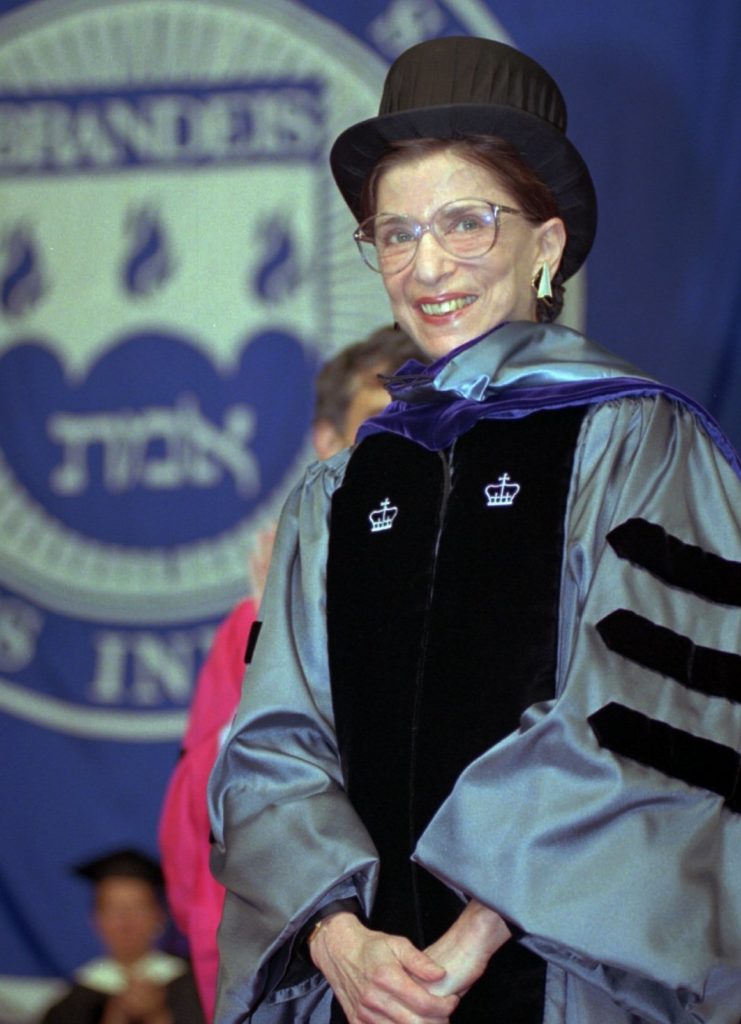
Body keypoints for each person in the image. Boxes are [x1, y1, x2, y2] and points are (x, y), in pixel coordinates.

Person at [208, 36, 741, 1024]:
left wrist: (465, 944)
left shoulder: (638, 443)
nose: (427, 265)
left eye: (466, 222)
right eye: (395, 232)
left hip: (570, 979)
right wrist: (341, 939)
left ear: (547, 244)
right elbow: (270, 744)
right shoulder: (335, 494)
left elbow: (657, 714)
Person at [158, 326, 426, 1021]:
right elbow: (201, 835)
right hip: (307, 978)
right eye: (376, 427)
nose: (405, 449)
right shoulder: (254, 623)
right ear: (326, 442)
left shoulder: (479, 592)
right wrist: (263, 633)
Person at [40, 849, 205, 1024]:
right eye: (113, 909)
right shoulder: (72, 1003)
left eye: (137, 908)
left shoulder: (194, 988)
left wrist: (157, 1016)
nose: (125, 922)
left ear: (160, 917)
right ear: (95, 920)